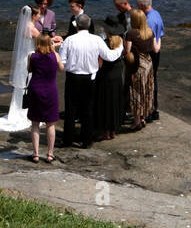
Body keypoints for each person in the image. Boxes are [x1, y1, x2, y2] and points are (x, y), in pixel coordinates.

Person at [58, 13, 124, 148]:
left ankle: (67, 140)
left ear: (77, 26)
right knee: (87, 110)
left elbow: (62, 61)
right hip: (90, 78)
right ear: (89, 26)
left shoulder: (69, 40)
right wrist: (120, 47)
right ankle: (86, 141)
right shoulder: (97, 40)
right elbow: (109, 56)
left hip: (73, 77)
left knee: (71, 109)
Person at [25, 33, 60, 163]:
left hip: (35, 89)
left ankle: (36, 154)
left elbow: (29, 70)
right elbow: (61, 68)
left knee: (35, 123)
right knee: (50, 124)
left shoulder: (32, 56)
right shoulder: (54, 56)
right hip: (50, 90)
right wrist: (54, 50)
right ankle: (50, 154)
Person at [92, 18, 127, 141]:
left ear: (107, 30)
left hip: (105, 76)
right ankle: (113, 130)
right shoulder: (120, 42)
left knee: (105, 103)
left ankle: (105, 131)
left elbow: (100, 64)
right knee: (115, 102)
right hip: (117, 75)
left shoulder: (104, 44)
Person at [124, 8, 160, 130]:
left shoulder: (131, 33)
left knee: (136, 91)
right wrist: (159, 39)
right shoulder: (150, 32)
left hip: (138, 64)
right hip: (148, 63)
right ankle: (143, 117)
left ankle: (136, 121)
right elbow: (156, 49)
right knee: (146, 90)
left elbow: (127, 51)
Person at [135, 0, 165, 121]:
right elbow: (161, 34)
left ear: (142, 5)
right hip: (156, 51)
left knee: (149, 81)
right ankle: (153, 109)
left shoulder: (149, 21)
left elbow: (150, 40)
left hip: (150, 53)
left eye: (137, 5)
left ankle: (150, 111)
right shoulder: (156, 14)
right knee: (153, 80)